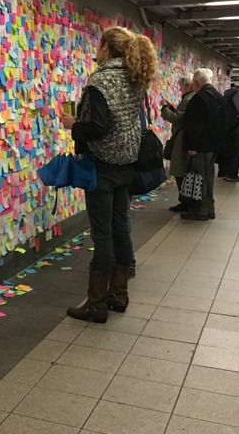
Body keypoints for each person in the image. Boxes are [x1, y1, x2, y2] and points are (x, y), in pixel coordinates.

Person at [61, 27, 157, 322]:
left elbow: (98, 126)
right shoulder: (135, 77)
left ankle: (96, 304)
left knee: (102, 235)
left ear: (104, 47)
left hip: (101, 166)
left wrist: (73, 124)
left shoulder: (100, 80)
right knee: (120, 228)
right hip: (127, 164)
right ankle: (119, 294)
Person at [182, 68, 227, 221]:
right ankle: (209, 208)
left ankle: (200, 210)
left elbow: (194, 126)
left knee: (199, 177)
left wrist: (191, 147)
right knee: (208, 177)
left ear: (196, 82)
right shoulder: (218, 97)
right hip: (214, 145)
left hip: (201, 146)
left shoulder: (199, 98)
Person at [161, 75, 195, 212]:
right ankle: (185, 201)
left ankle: (185, 202)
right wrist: (172, 107)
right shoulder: (189, 98)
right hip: (183, 136)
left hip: (181, 137)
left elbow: (177, 118)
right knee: (180, 170)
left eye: (180, 86)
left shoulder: (188, 98)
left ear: (187, 86)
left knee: (180, 169)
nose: (179, 89)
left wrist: (164, 108)